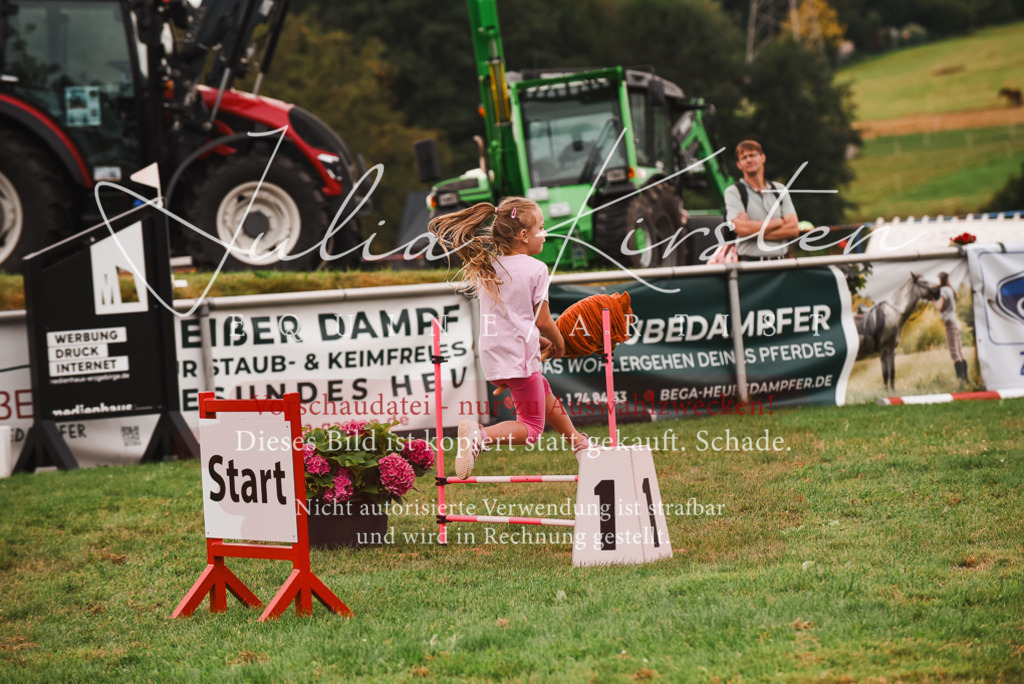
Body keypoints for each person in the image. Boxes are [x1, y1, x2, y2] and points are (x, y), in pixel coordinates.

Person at [428, 197, 593, 479]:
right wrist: (559, 341)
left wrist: (539, 341)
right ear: (524, 235)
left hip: (495, 352)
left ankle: (578, 443)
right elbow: (542, 320)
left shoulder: (489, 266)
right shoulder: (536, 269)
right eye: (541, 228)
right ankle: (480, 436)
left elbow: (512, 318)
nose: (545, 233)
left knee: (541, 387)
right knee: (530, 429)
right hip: (517, 354)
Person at [723, 140, 800, 261]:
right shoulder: (733, 192)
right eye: (744, 157)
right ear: (739, 164)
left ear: (762, 158)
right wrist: (778, 222)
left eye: (752, 155)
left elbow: (794, 229)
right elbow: (742, 230)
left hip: (781, 263)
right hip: (750, 265)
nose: (749, 160)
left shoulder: (780, 189)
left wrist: (753, 233)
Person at [935, 272, 968, 382]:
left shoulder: (944, 291)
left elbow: (939, 306)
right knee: (959, 352)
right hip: (955, 322)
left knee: (954, 353)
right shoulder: (950, 289)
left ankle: (962, 380)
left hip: (950, 324)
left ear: (940, 279)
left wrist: (934, 300)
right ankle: (965, 379)